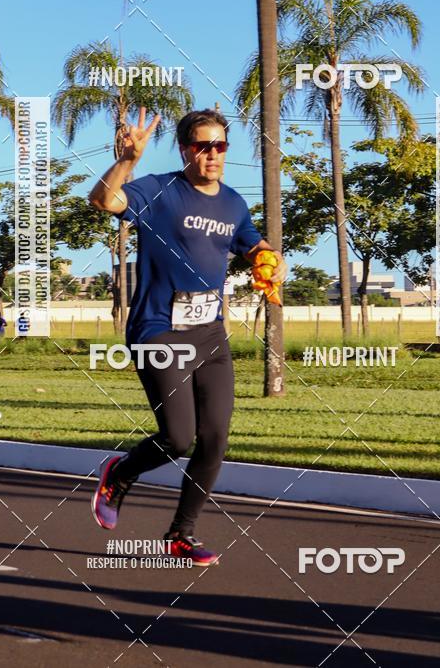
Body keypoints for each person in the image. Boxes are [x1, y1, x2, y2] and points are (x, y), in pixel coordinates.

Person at [88, 108, 287, 566]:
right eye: (203, 145)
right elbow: (103, 201)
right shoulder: (158, 190)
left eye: (220, 145)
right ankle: (121, 472)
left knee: (214, 438)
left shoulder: (234, 203)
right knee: (178, 438)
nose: (213, 154)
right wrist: (127, 160)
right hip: (159, 331)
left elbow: (251, 241)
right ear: (185, 149)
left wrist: (267, 259)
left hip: (210, 335)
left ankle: (181, 534)